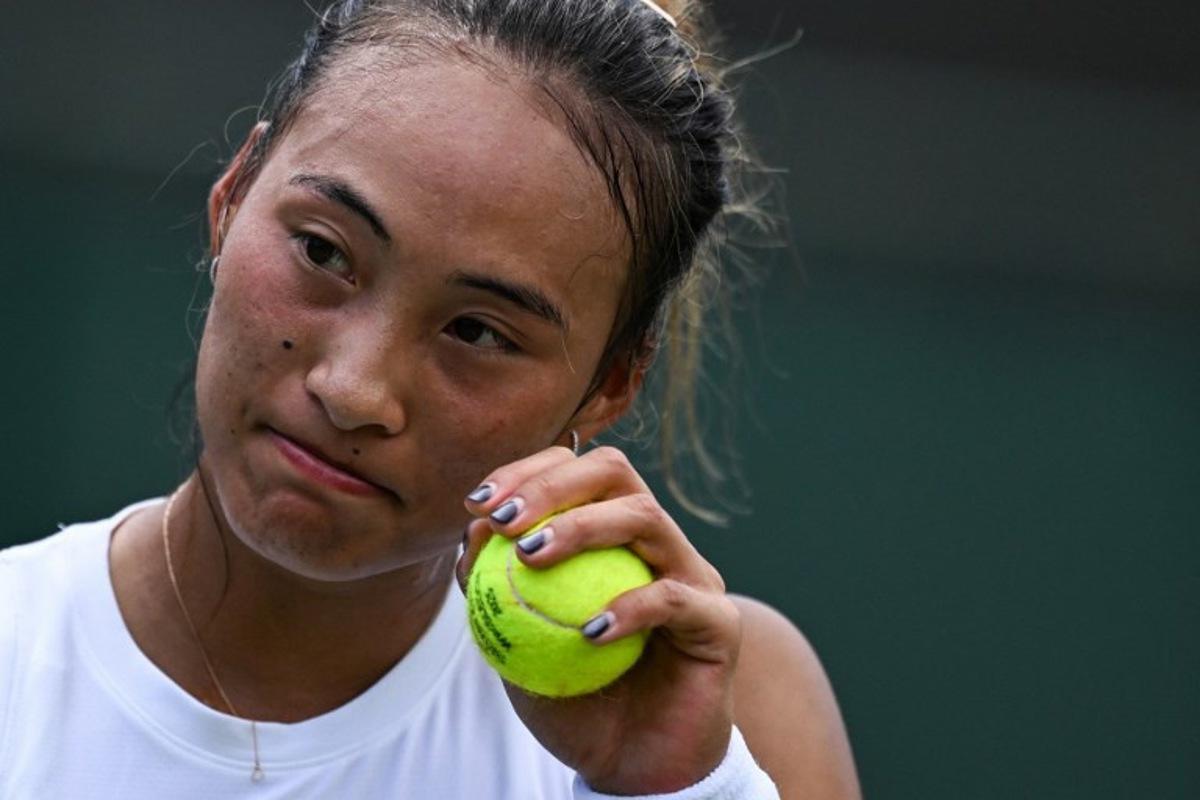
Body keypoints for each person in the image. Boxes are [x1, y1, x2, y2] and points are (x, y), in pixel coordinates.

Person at [0, 0, 860, 797]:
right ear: (232, 196)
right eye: (324, 252)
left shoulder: (731, 715)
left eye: (478, 333)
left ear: (611, 384)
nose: (353, 391)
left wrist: (671, 793)